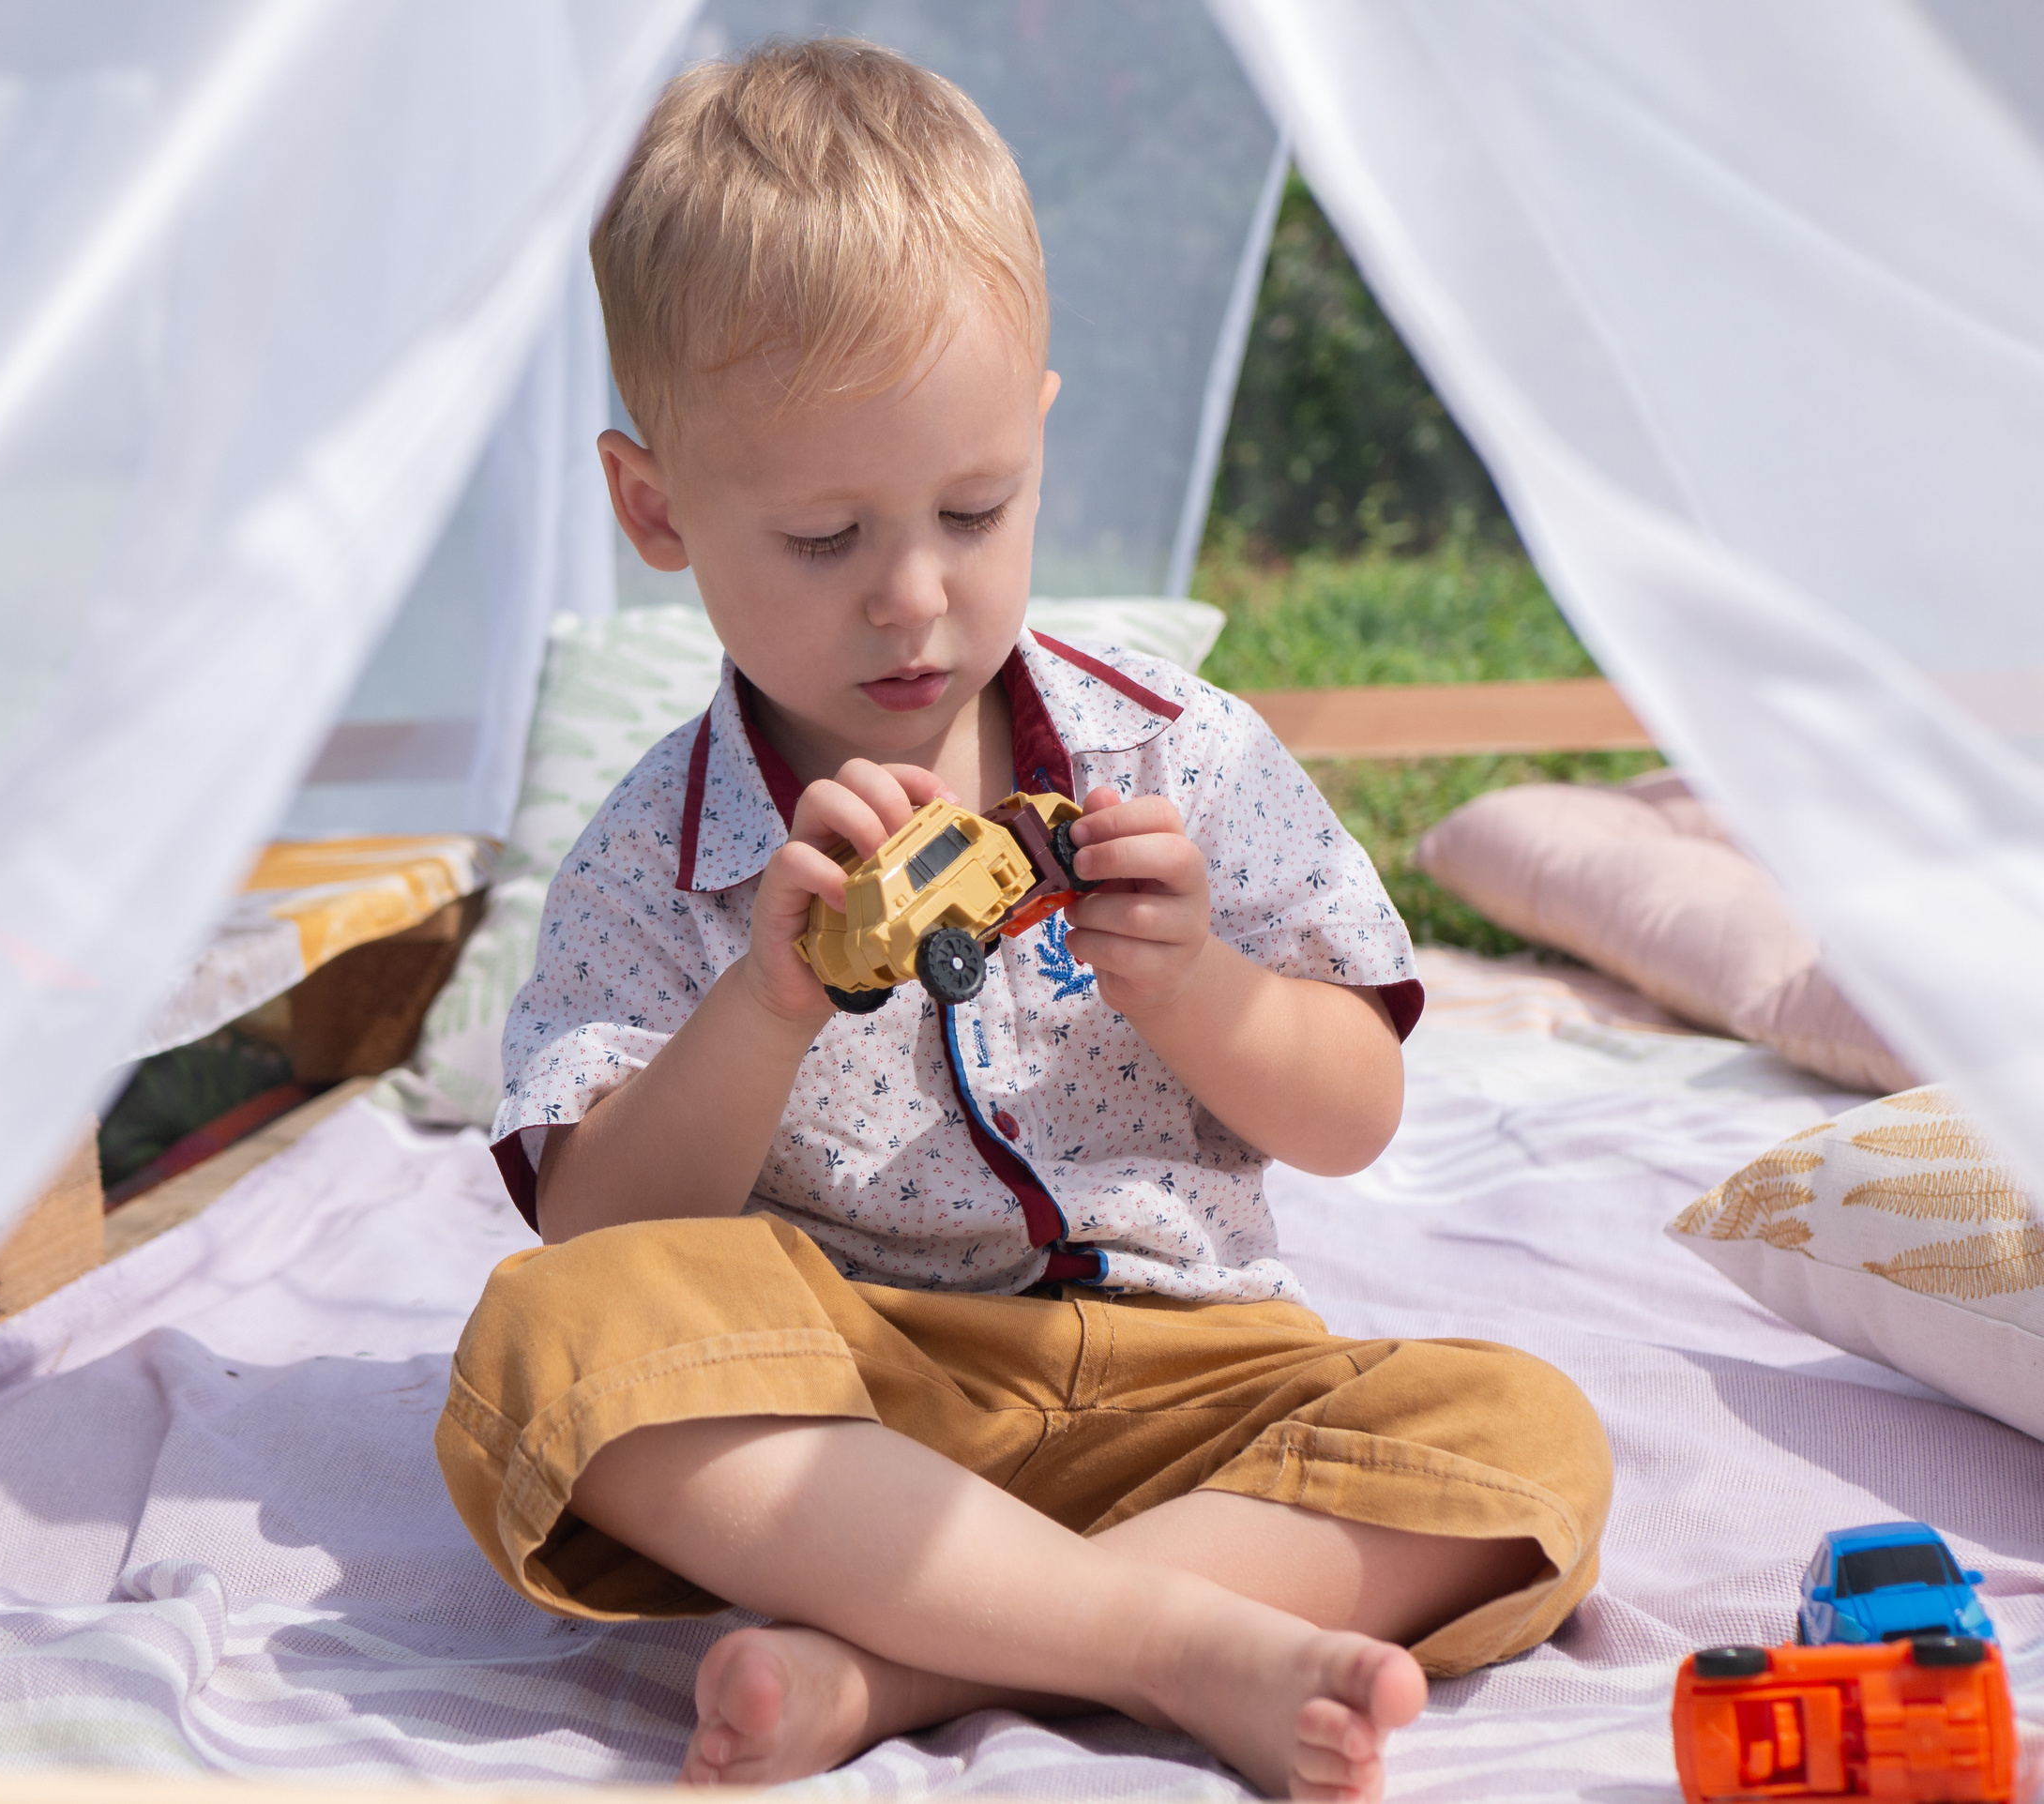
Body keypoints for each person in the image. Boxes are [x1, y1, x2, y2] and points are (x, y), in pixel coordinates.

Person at [435, 38, 1611, 1802]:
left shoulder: (1177, 755)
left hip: (1194, 1390)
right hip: (854, 1399)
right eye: (826, 537)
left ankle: (892, 1672)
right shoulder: (657, 855)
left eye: (974, 512)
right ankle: (1172, 1644)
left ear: (1039, 440)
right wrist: (761, 1002)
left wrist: (1202, 988)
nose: (917, 598)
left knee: (1527, 1439)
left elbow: (1355, 1111)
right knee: (543, 1351)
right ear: (656, 510)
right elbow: (600, 1223)